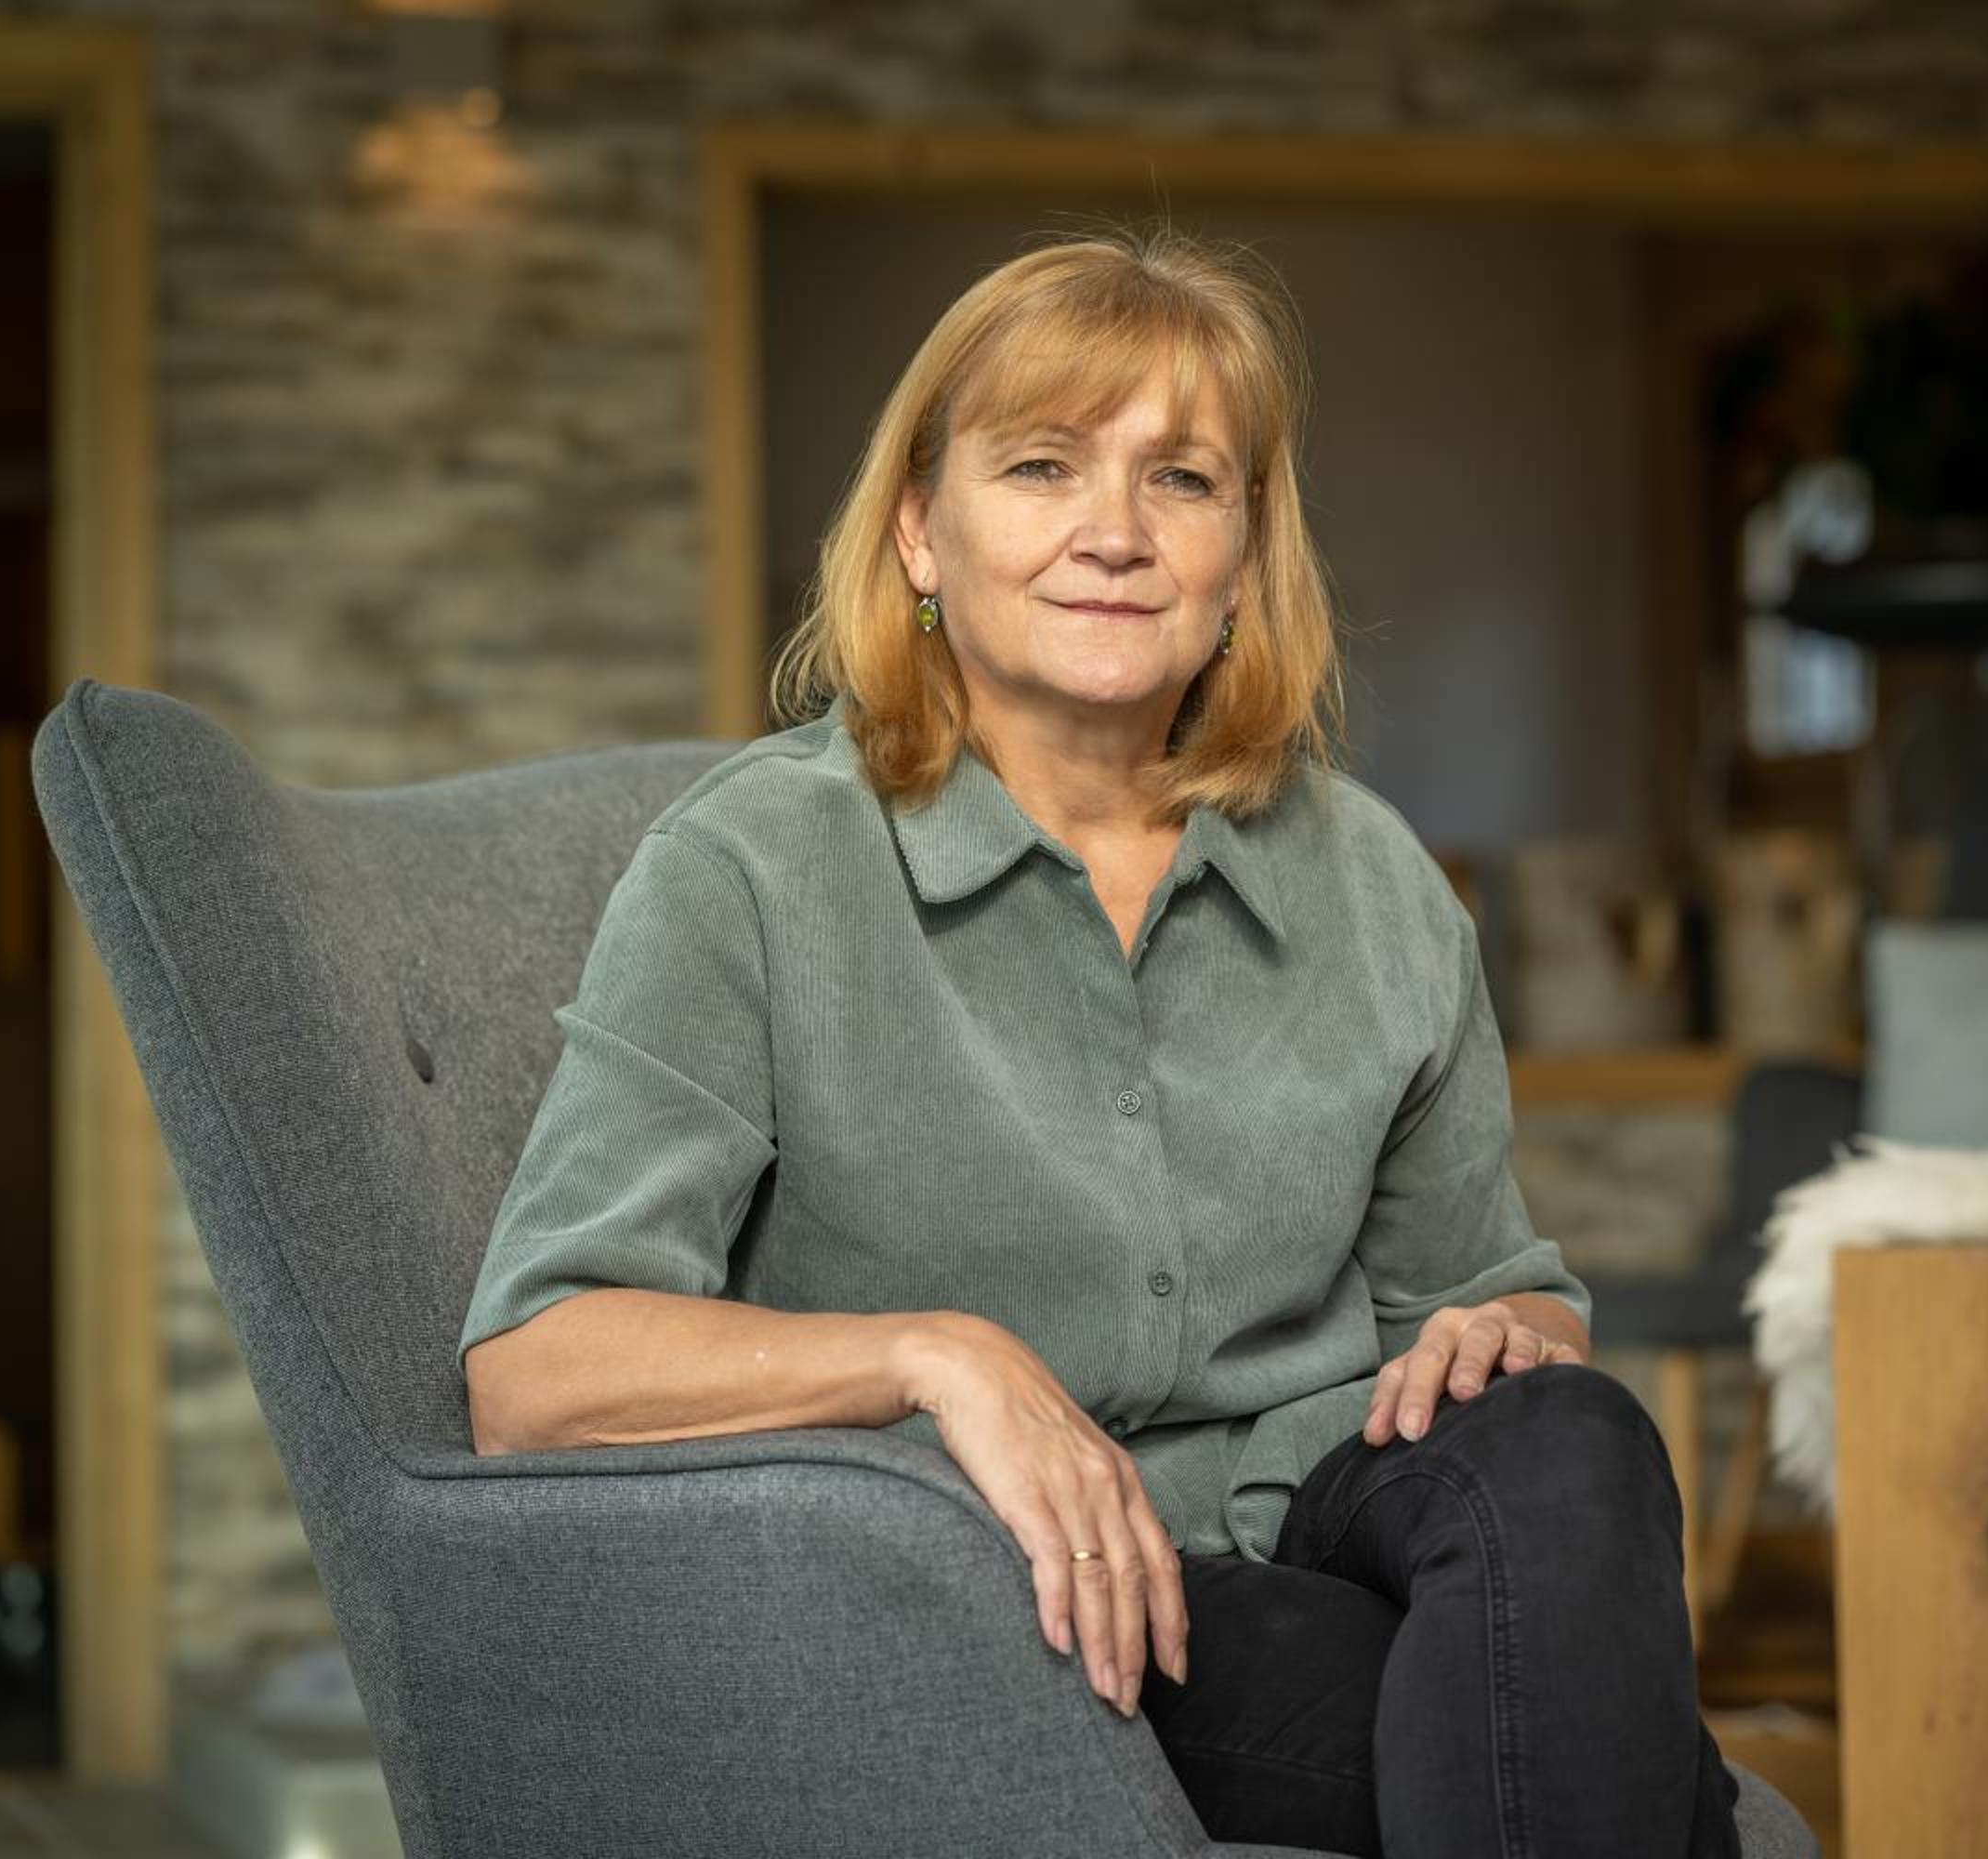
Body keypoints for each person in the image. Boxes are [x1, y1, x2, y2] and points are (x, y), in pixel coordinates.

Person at [458, 225, 1743, 1856]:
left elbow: (1487, 1292)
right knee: (1622, 1765)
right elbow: (536, 1371)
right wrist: (941, 1357)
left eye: (1182, 481)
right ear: (920, 531)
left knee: (1574, 1436)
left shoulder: (1375, 881)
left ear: (1243, 555)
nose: (1117, 534)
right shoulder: (752, 869)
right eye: (1043, 467)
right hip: (980, 1588)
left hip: (1327, 1509)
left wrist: (1505, 1337)